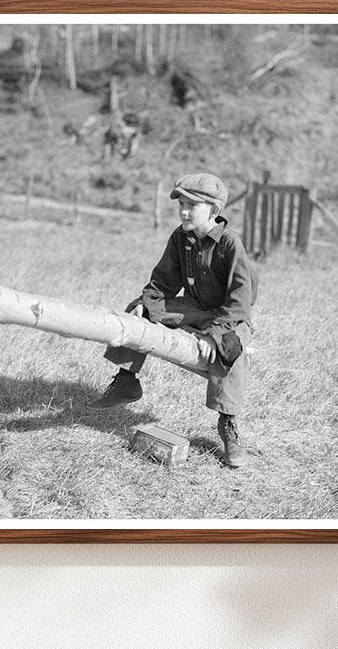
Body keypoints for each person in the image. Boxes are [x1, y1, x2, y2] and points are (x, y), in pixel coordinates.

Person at [89, 172, 256, 468]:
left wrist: (212, 335)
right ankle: (127, 380)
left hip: (228, 317)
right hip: (192, 307)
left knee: (231, 350)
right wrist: (147, 303)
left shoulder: (231, 244)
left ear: (214, 211)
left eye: (192, 205)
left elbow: (241, 302)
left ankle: (228, 425)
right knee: (140, 308)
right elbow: (162, 282)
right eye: (181, 203)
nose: (183, 211)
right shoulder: (181, 238)